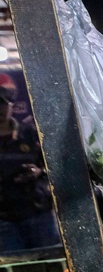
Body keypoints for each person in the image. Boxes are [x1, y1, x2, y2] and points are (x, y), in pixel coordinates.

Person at [0, 88, 60, 252]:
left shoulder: (31, 133)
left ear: (11, 106)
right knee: (15, 268)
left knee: (53, 262)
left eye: (3, 104)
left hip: (38, 212)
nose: (0, 109)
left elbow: (54, 166)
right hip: (4, 219)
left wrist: (38, 172)